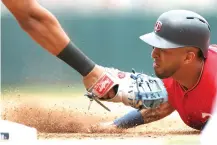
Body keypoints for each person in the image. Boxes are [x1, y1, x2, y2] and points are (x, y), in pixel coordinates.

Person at [2, 0, 217, 131]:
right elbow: (159, 109)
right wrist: (113, 126)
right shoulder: (173, 82)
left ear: (189, 57)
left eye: (164, 48)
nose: (154, 53)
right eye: (154, 45)